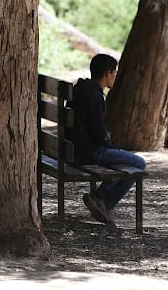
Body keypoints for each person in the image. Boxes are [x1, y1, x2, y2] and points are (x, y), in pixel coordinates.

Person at [68, 53, 146, 227]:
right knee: (139, 164)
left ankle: (102, 201)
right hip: (88, 152)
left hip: (73, 148)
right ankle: (102, 200)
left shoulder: (80, 88)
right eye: (115, 73)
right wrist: (114, 149)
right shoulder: (95, 96)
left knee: (123, 158)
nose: (115, 77)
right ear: (107, 73)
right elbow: (98, 134)